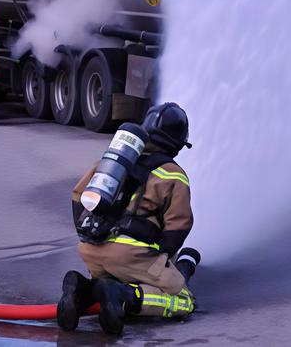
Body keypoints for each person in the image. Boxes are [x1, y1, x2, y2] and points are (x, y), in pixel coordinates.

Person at [58, 102, 201, 335]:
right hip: (129, 255)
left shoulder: (113, 162)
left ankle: (80, 289)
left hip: (91, 248)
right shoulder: (174, 175)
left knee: (108, 280)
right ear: (176, 143)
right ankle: (125, 296)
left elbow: (78, 195)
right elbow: (179, 224)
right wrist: (163, 257)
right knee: (183, 299)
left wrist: (87, 234)